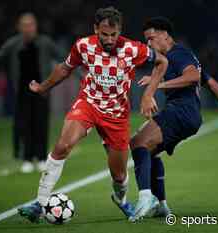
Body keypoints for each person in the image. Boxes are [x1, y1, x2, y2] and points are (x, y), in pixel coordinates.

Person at [17, 6, 168, 222]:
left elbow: (163, 61)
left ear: (120, 31)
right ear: (95, 29)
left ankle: (121, 199)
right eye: (104, 34)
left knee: (119, 175)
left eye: (113, 35)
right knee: (63, 145)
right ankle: (39, 204)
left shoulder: (134, 49)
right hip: (88, 104)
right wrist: (43, 88)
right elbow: (65, 68)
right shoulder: (83, 46)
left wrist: (148, 94)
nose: (109, 39)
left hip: (116, 115)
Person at [129, 17, 218, 221]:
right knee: (149, 150)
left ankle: (145, 199)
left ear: (165, 35)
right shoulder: (186, 55)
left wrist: (157, 84)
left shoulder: (178, 54)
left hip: (181, 112)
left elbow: (193, 77)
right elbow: (211, 84)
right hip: (188, 115)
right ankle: (161, 205)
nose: (149, 44)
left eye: (151, 39)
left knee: (138, 143)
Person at [0, 13, 60, 173]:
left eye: (31, 25)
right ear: (19, 28)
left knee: (41, 124)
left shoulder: (45, 43)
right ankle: (27, 159)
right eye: (25, 25)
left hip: (42, 90)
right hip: (21, 91)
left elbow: (66, 60)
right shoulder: (13, 44)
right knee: (24, 125)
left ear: (36, 27)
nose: (28, 29)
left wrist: (83, 72)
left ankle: (41, 158)